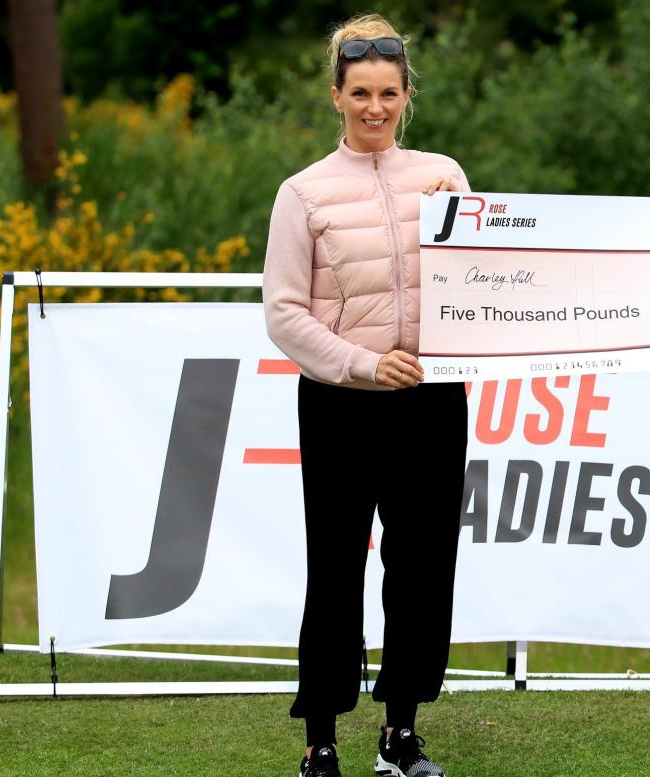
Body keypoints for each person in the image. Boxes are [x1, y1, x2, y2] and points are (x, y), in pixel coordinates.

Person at [262, 13, 470, 777]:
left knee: (420, 567)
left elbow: (481, 285)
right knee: (337, 564)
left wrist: (464, 215)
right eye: (359, 93)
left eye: (388, 93)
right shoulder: (303, 193)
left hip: (432, 401)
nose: (374, 108)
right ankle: (320, 739)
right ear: (336, 96)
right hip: (342, 404)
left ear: (407, 94)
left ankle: (401, 733)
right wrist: (359, 363)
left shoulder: (443, 173)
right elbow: (284, 312)